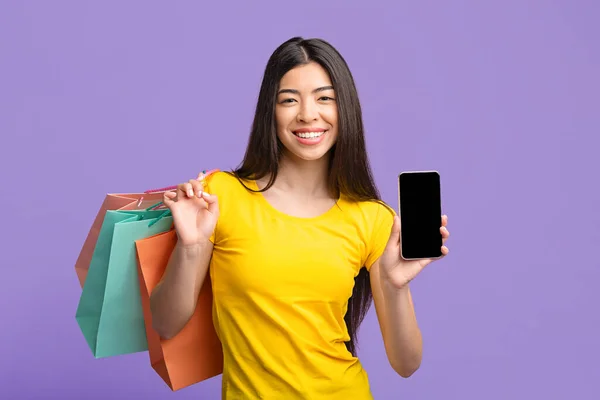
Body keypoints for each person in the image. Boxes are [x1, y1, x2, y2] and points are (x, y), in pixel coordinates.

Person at [149, 37, 450, 399]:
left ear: (346, 110)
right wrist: (191, 245)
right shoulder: (221, 196)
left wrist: (396, 286)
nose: (308, 114)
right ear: (269, 112)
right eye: (289, 99)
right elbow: (166, 324)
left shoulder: (372, 218)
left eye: (325, 98)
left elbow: (406, 363)